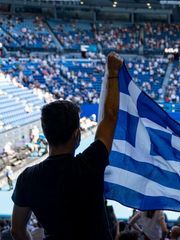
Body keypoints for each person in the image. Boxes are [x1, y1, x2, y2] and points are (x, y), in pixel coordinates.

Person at [10, 52, 123, 240]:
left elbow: (17, 229)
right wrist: (113, 72)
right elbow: (110, 117)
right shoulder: (90, 163)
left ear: (46, 135)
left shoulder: (26, 179)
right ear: (76, 134)